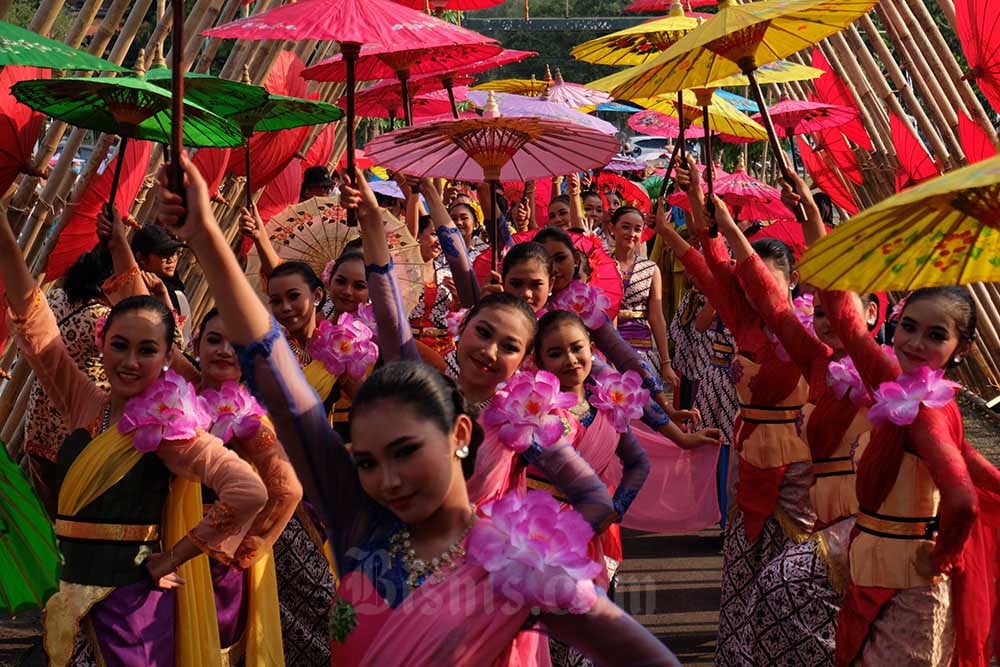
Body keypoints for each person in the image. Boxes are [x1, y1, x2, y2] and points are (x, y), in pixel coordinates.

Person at [157, 152, 681, 667]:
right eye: (366, 461)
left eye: (407, 452)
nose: (388, 479)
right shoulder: (357, 523)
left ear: (458, 434)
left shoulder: (517, 569)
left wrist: (530, 542)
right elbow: (280, 374)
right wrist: (205, 237)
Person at [0, 205, 267, 667]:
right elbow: (37, 324)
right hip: (65, 604)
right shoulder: (84, 401)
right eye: (119, 346)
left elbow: (249, 490)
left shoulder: (172, 431)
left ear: (168, 358)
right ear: (101, 344)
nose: (129, 361)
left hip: (130, 617)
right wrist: (4, 232)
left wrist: (174, 557)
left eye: (147, 351)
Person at [714, 180, 881, 664]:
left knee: (785, 593)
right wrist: (723, 229)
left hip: (868, 532)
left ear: (872, 313)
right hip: (820, 515)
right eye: (820, 311)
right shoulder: (819, 365)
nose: (827, 320)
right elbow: (771, 302)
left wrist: (812, 222)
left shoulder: (886, 377)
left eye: (840, 310)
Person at [657, 157, 813, 666]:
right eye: (754, 284)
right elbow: (714, 269)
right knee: (743, 564)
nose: (760, 292)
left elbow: (742, 272)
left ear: (793, 283)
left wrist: (805, 212)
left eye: (771, 281)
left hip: (800, 469)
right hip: (747, 458)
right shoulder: (745, 325)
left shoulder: (804, 333)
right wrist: (680, 226)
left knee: (791, 571)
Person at [22, 247, 113, 514]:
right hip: (72, 421)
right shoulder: (104, 319)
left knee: (40, 495)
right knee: (62, 505)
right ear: (106, 280)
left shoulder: (57, 297)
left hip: (40, 412)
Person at [609, 206, 673, 386]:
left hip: (642, 349)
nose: (631, 233)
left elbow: (657, 318)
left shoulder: (651, 269)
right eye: (625, 227)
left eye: (637, 229)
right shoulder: (600, 264)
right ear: (612, 229)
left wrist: (666, 362)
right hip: (609, 348)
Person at [130, 224, 191, 341]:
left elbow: (180, 341)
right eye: (163, 254)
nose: (171, 259)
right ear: (141, 257)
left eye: (174, 252)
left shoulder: (175, 293)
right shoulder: (127, 287)